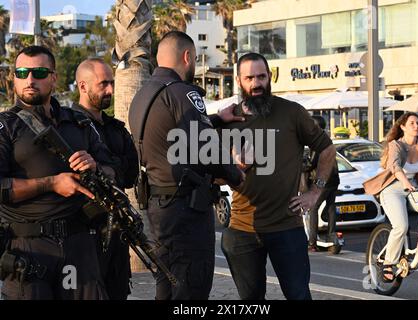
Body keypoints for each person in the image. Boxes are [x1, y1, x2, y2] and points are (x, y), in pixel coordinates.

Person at [128, 31, 244, 300]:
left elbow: (172, 130)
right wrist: (234, 175)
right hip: (185, 210)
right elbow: (206, 145)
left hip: (159, 207)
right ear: (187, 57)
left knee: (167, 287)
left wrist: (216, 118)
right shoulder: (183, 92)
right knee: (192, 286)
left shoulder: (143, 94)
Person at [0, 46, 118, 299]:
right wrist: (51, 183)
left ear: (53, 78)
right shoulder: (5, 127)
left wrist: (96, 167)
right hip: (28, 250)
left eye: (39, 72)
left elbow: (114, 172)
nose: (30, 80)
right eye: (22, 72)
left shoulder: (79, 122)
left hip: (79, 246)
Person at [220, 52, 336, 300]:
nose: (256, 83)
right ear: (239, 81)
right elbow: (214, 178)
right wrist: (233, 166)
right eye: (249, 77)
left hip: (287, 228)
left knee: (299, 296)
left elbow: (327, 148)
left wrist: (315, 192)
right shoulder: (228, 120)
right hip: (242, 230)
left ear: (270, 77)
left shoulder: (292, 112)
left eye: (261, 76)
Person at [72, 58, 138, 300]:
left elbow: (131, 173)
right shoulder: (69, 126)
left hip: (116, 232)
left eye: (111, 83)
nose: (110, 90)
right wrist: (110, 169)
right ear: (83, 86)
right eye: (103, 84)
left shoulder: (115, 128)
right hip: (82, 235)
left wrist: (103, 168)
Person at [376, 112, 418, 282]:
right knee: (401, 226)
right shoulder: (395, 145)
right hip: (393, 188)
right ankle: (388, 263)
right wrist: (405, 181)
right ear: (403, 127)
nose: (416, 126)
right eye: (412, 123)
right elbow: (395, 165)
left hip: (415, 187)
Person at [307, 116, 340, 252]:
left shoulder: (317, 141)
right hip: (334, 179)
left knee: (313, 208)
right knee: (331, 207)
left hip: (323, 180)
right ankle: (331, 235)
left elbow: (311, 164)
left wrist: (300, 165)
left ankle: (312, 242)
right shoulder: (327, 139)